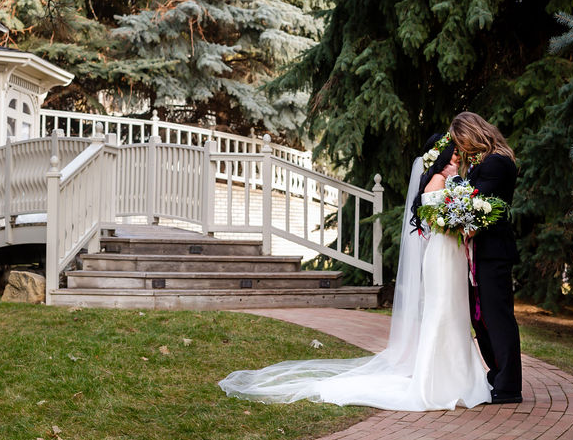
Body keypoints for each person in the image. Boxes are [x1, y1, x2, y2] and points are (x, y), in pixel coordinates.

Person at [217, 132, 492, 411]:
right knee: (442, 311)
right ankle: (436, 382)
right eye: (455, 154)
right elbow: (437, 222)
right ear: (443, 158)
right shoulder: (436, 182)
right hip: (442, 256)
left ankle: (463, 377)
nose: (459, 158)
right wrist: (459, 222)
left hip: (453, 256)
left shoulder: (455, 184)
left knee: (456, 312)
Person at [449, 111, 523, 404]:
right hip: (480, 254)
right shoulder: (487, 161)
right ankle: (497, 376)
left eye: (462, 141)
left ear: (474, 134)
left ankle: (508, 386)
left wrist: (454, 184)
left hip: (494, 254)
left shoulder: (497, 163)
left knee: (497, 318)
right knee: (481, 320)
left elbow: (476, 203)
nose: (462, 149)